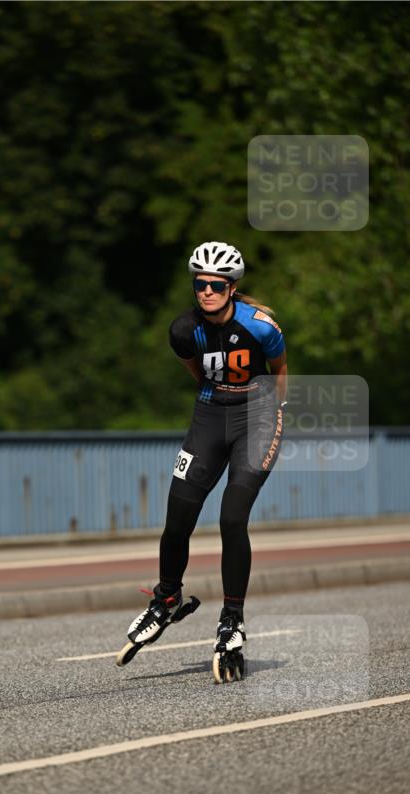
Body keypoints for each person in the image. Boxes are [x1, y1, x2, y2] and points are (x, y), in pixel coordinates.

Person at [118, 241, 287, 680]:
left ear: (231, 288)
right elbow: (198, 375)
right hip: (210, 416)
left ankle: (232, 619)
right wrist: (219, 401)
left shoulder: (262, 326)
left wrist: (272, 413)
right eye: (200, 284)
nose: (206, 291)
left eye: (216, 284)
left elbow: (280, 370)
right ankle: (167, 598)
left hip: (258, 416)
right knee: (178, 517)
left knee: (232, 518)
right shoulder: (182, 330)